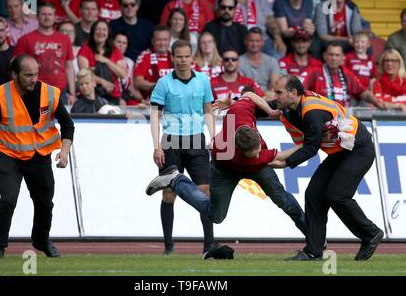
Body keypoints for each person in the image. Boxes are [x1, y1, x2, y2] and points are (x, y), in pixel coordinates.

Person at [146, 91, 307, 258]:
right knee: (216, 216)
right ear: (241, 150)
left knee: (283, 199)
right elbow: (279, 159)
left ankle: (313, 237)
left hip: (239, 157)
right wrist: (304, 143)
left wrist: (270, 111)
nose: (259, 153)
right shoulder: (242, 157)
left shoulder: (240, 110)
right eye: (255, 153)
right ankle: (176, 180)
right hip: (225, 168)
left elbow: (249, 94)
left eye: (259, 149)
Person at [0, 54, 74, 259]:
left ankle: (41, 240)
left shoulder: (49, 93)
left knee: (45, 203)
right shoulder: (0, 96)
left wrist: (64, 151)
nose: (33, 79)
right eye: (28, 75)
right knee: (8, 200)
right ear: (15, 75)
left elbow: (67, 124)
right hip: (10, 155)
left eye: (36, 74)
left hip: (40, 156)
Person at [270, 74, 384, 261]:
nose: (276, 97)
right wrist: (235, 103)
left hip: (358, 150)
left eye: (279, 92)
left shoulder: (312, 113)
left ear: (293, 93)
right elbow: (269, 105)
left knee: (337, 196)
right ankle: (313, 251)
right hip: (341, 152)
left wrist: (284, 163)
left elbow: (310, 149)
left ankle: (370, 233)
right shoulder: (294, 104)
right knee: (314, 194)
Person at [149, 39, 215, 255]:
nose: (183, 60)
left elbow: (208, 110)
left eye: (187, 56)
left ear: (192, 57)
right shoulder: (164, 83)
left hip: (196, 140)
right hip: (171, 142)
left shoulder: (203, 81)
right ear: (173, 57)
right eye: (179, 56)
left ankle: (209, 244)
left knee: (204, 192)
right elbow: (155, 116)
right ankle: (169, 246)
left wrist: (213, 137)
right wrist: (156, 146)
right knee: (169, 194)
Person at [13, 2, 76, 105]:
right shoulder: (25, 39)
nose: (47, 17)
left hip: (60, 92)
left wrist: (72, 94)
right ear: (37, 17)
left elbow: (69, 67)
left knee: (60, 121)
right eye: (43, 14)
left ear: (55, 17)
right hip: (33, 91)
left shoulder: (65, 39)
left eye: (50, 14)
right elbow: (15, 68)